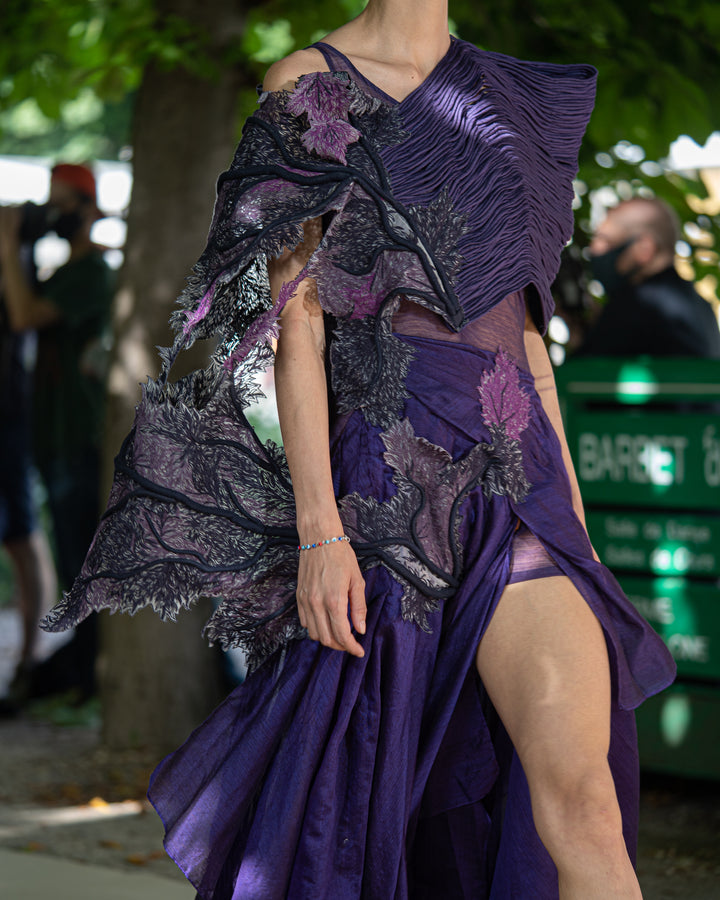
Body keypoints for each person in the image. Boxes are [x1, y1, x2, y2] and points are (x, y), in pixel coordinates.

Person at [42, 3, 675, 897]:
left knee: (586, 802)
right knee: (352, 821)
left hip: (519, 488)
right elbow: (294, 323)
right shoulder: (309, 83)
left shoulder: (507, 97)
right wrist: (319, 532)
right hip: (383, 492)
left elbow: (528, 337)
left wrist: (574, 530)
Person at [0, 163, 114, 700]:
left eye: (63, 205)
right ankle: (82, 668)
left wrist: (6, 245)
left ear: (89, 211)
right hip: (50, 433)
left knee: (80, 556)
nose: (55, 217)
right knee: (72, 560)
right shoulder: (63, 273)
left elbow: (23, 315)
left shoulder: (93, 274)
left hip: (75, 434)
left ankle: (93, 672)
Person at [580, 196, 720, 357]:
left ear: (645, 248)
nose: (594, 250)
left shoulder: (637, 303)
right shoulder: (700, 304)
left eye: (605, 240)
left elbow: (579, 372)